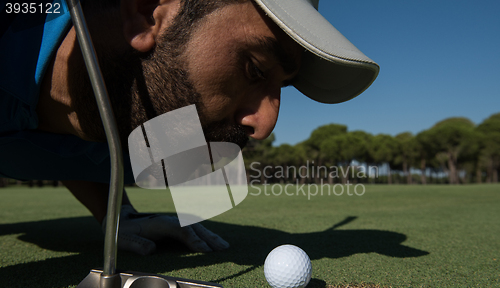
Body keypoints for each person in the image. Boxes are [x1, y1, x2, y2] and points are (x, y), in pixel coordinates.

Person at [0, 0, 379, 255]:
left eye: (281, 88)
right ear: (148, 10)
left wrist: (116, 217)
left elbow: (79, 154)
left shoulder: (135, 134)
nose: (264, 126)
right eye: (255, 69)